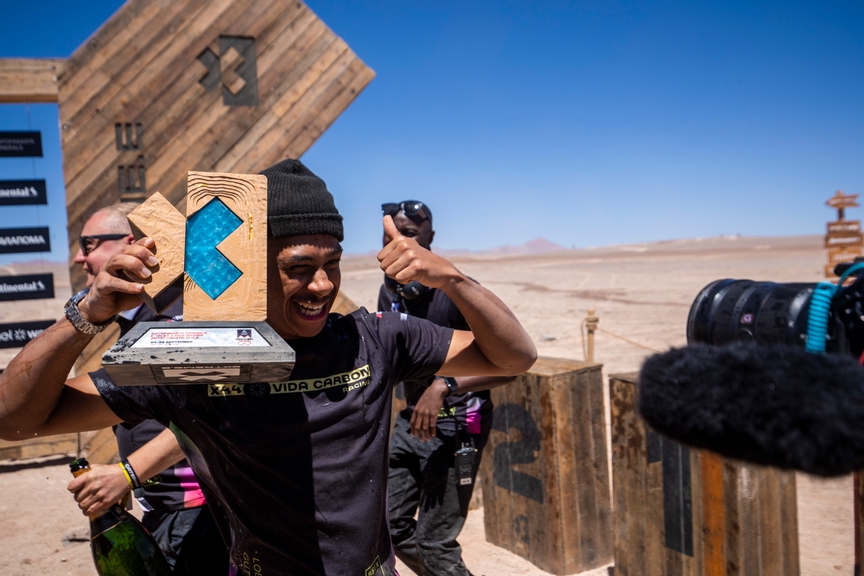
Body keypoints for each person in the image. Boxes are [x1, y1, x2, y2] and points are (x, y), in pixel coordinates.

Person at [0, 159, 536, 576]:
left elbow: (516, 356)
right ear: (253, 271)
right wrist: (86, 314)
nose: (323, 286)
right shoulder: (200, 355)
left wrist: (455, 281)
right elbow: (15, 421)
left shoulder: (374, 337)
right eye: (299, 269)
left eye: (332, 264)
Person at [67, 203, 228, 575]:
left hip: (198, 512)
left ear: (131, 243)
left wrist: (128, 473)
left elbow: (214, 411)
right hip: (167, 508)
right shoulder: (137, 317)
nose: (79, 257)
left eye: (89, 244)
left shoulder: (173, 316)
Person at [379, 200, 513, 576]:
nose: (398, 242)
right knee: (389, 527)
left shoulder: (455, 291)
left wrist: (444, 385)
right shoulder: (390, 292)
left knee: (435, 543)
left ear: (429, 239)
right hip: (410, 425)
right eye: (390, 233)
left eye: (408, 234)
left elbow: (510, 368)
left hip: (458, 428)